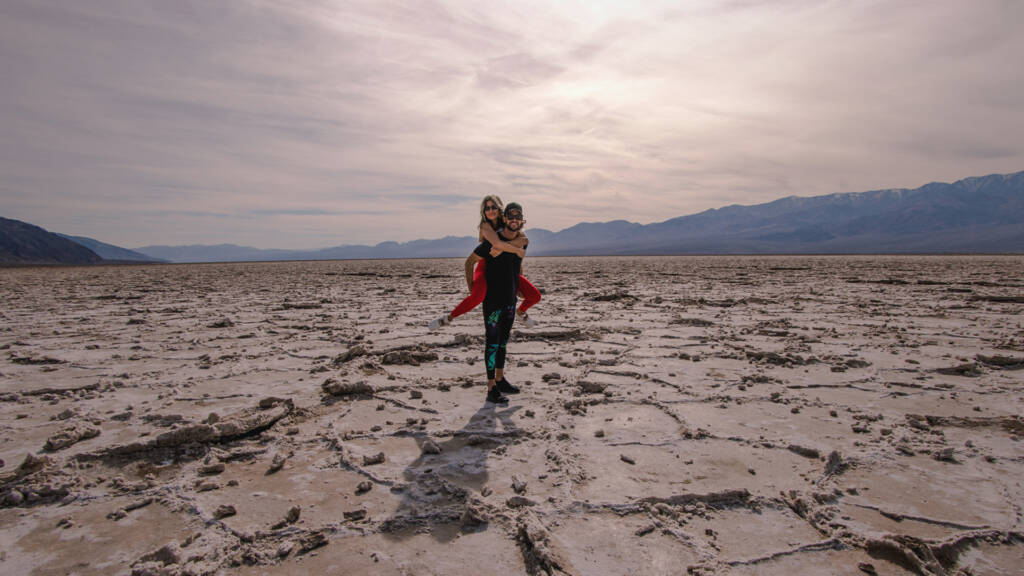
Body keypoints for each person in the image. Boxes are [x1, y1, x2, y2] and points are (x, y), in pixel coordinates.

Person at [429, 195, 540, 330]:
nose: (490, 210)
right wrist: (471, 287)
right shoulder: (485, 226)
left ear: (500, 210)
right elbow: (496, 245)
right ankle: (447, 319)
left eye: (494, 207)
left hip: (506, 268)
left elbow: (522, 242)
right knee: (476, 297)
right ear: (483, 211)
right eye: (487, 208)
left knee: (535, 296)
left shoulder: (508, 222)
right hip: (485, 266)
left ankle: (521, 312)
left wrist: (517, 279)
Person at [466, 202, 529, 404]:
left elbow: (517, 264)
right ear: (504, 219)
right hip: (493, 301)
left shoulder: (523, 241)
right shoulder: (491, 243)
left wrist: (519, 284)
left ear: (522, 220)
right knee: (492, 343)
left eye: (517, 217)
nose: (514, 220)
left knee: (503, 342)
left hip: (510, 300)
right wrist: (472, 289)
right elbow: (469, 262)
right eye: (510, 217)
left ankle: (501, 380)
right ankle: (491, 387)